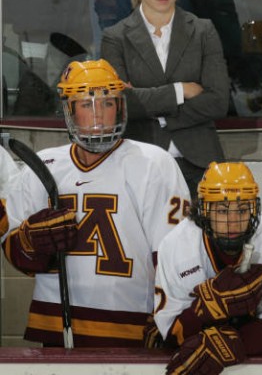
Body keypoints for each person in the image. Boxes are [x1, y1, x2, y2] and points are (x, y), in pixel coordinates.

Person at [1, 59, 190, 347]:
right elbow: (16, 255)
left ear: (121, 107)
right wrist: (29, 240)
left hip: (132, 327)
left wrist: (172, 317)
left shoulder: (154, 163)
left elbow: (174, 256)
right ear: (69, 111)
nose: (99, 115)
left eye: (108, 103)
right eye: (87, 105)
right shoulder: (43, 166)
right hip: (55, 326)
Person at [154, 161, 262, 374]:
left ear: (254, 209)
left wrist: (226, 344)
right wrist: (204, 311)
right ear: (203, 211)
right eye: (221, 210)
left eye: (242, 209)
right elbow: (173, 332)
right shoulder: (176, 245)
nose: (233, 221)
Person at [101, 0, 230, 199]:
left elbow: (218, 102)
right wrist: (180, 91)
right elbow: (122, 105)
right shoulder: (115, 38)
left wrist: (155, 111)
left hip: (201, 163)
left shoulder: (203, 30)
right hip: (140, 161)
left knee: (202, 240)